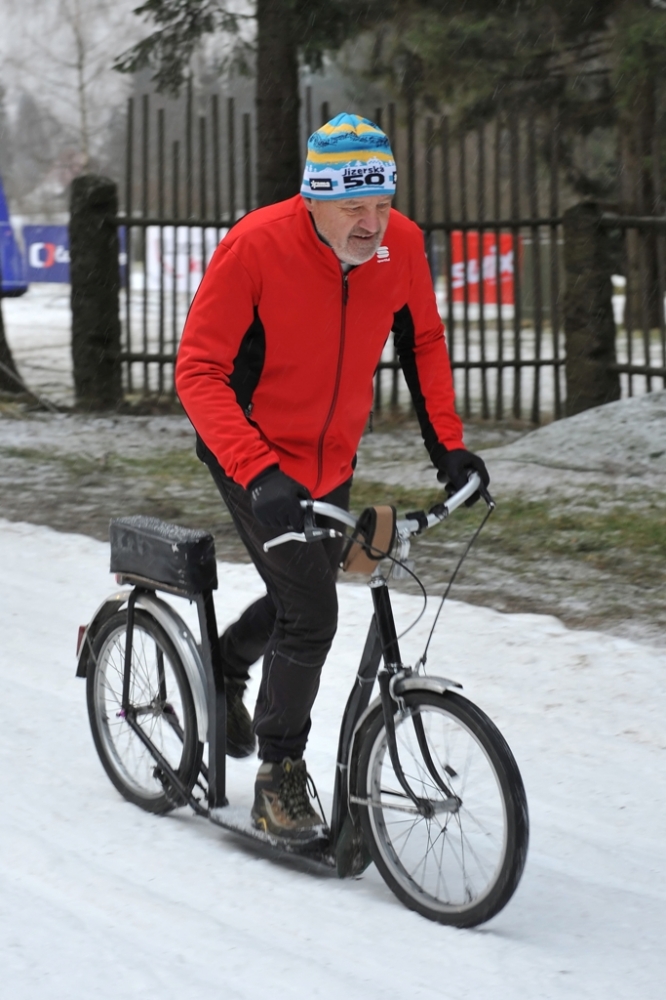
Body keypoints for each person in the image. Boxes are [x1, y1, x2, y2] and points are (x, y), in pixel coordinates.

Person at [175, 113, 489, 843]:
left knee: (303, 592)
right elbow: (199, 371)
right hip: (252, 456)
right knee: (313, 611)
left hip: (331, 459)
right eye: (354, 207)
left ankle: (226, 662)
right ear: (314, 198)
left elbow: (423, 340)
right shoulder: (256, 245)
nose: (372, 224)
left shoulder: (400, 245)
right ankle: (278, 774)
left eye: (382, 204)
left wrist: (449, 448)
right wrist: (257, 470)